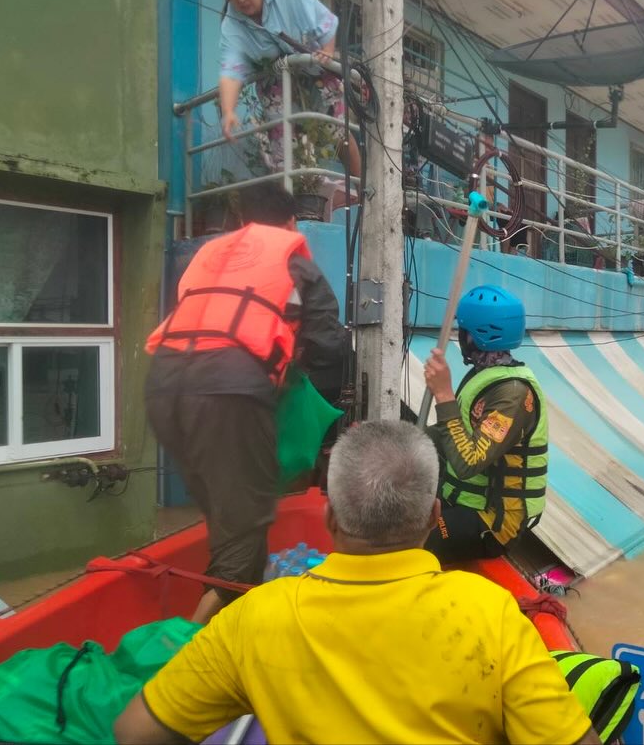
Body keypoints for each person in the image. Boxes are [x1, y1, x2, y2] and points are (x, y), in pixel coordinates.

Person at [113, 421, 599, 745]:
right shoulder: (490, 612)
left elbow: (134, 732)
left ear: (330, 517)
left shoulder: (253, 617)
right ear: (434, 516)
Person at [144, 183, 350, 624]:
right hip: (228, 396)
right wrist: (302, 391)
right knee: (245, 528)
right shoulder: (295, 263)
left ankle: (234, 624)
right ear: (292, 223)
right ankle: (185, 648)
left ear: (242, 222)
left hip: (164, 390)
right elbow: (329, 346)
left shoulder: (211, 257)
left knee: (231, 522)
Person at [423, 285, 548, 562]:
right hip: (462, 502)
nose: (461, 337)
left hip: (492, 521)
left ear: (474, 336)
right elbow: (447, 435)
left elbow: (468, 463)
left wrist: (443, 394)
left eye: (463, 331)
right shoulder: (484, 376)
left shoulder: (513, 394)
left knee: (411, 538)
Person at [214, 0, 361, 179]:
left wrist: (327, 51)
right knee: (283, 143)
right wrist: (229, 111)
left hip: (311, 66)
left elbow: (324, 20)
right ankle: (296, 194)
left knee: (337, 129)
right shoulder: (231, 25)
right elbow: (231, 70)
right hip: (274, 80)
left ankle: (362, 187)